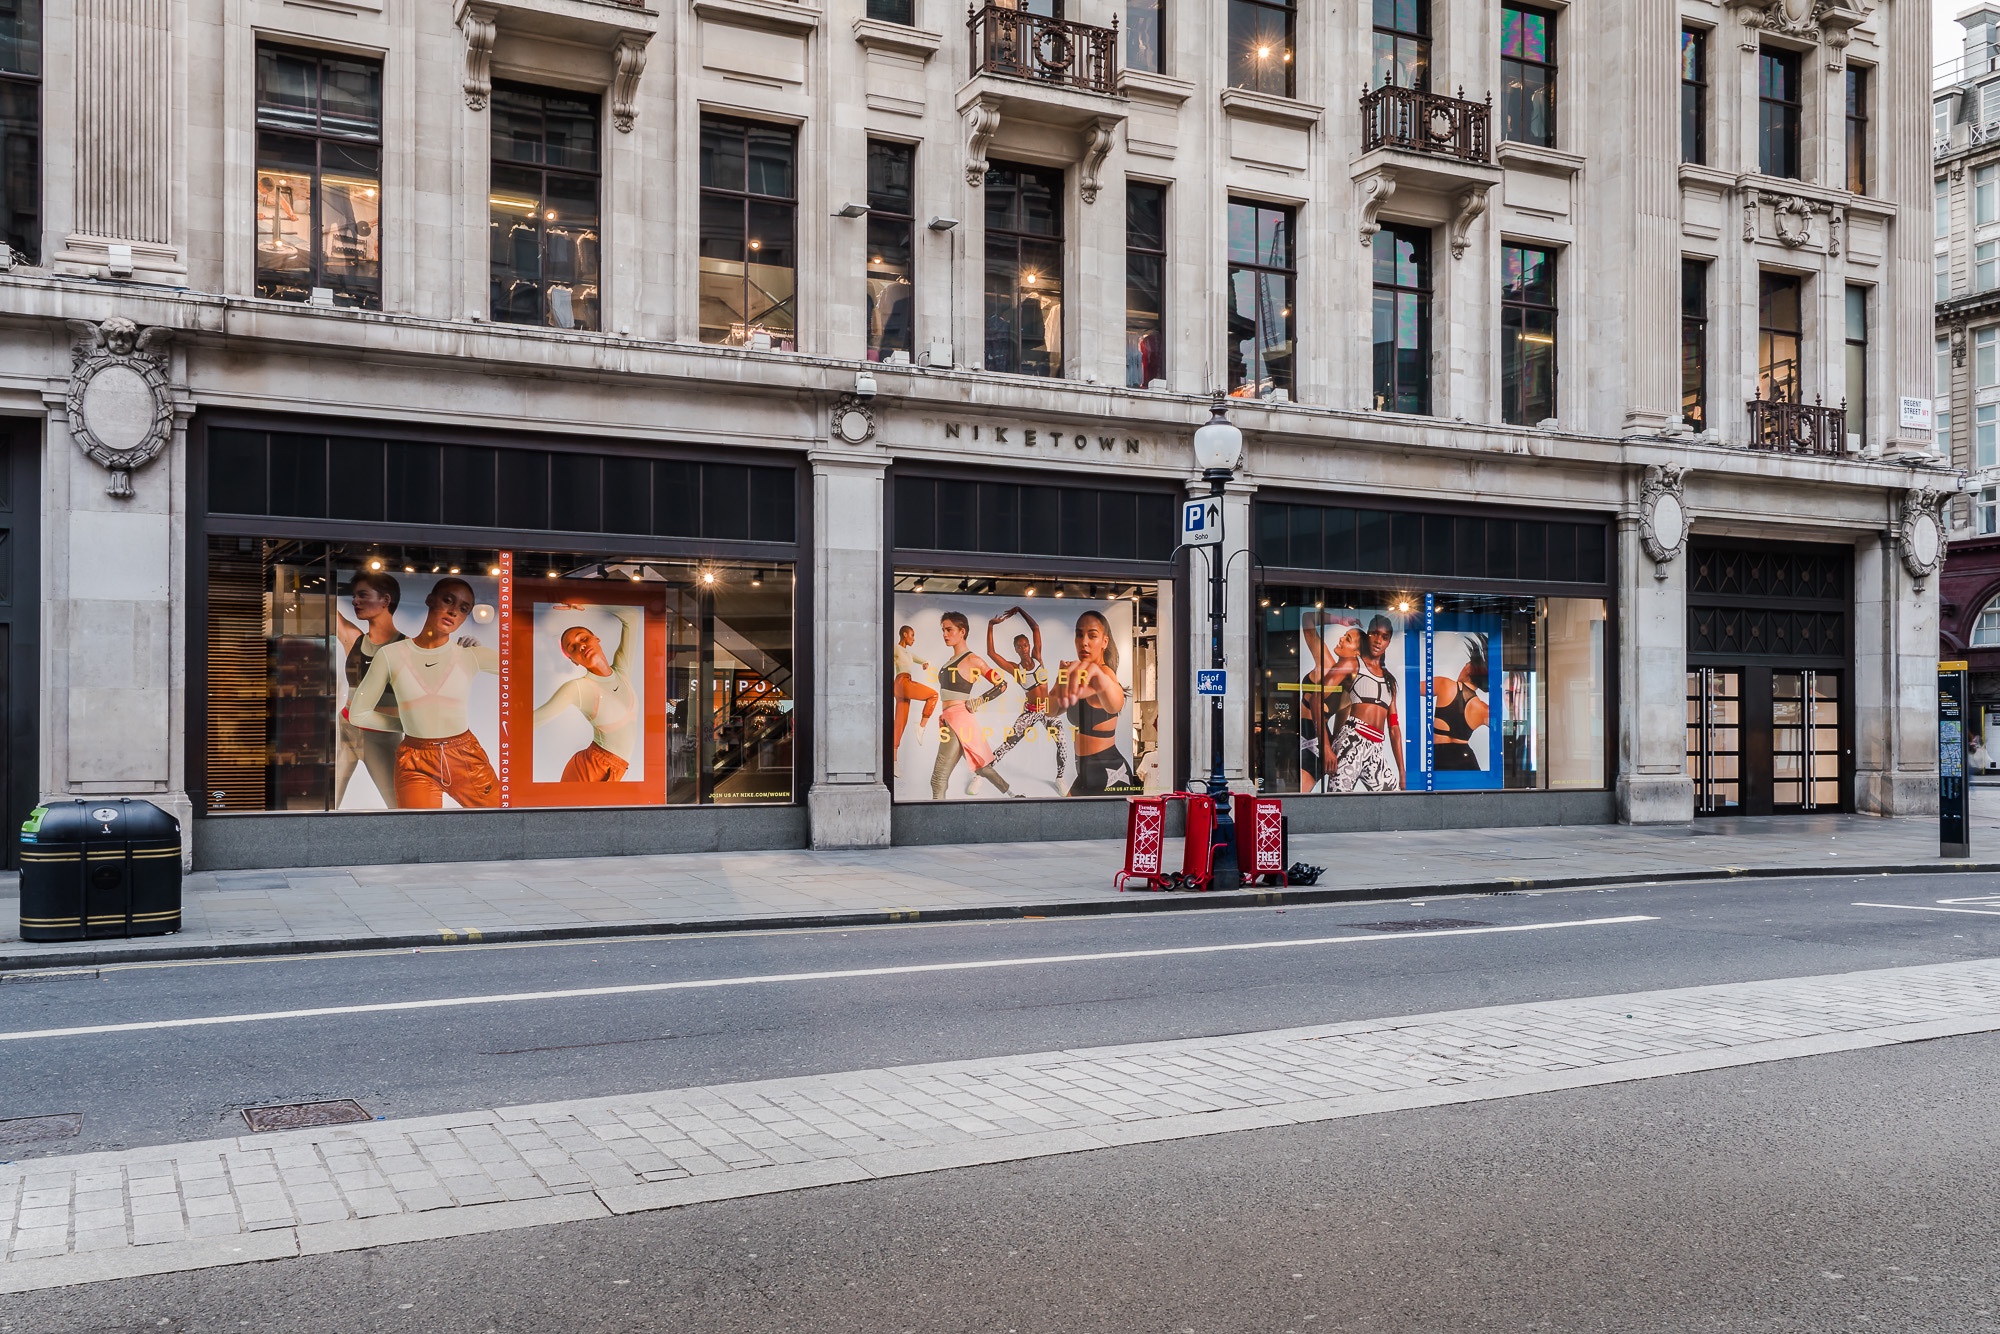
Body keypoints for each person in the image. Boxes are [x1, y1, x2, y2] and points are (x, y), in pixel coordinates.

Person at [346, 577, 502, 809]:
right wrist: (412, 725)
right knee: (419, 834)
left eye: (463, 609)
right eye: (447, 600)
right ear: (430, 600)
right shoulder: (391, 655)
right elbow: (358, 714)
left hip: (463, 755)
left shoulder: (469, 655)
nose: (453, 612)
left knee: (499, 823)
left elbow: (521, 672)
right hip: (414, 759)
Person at [532, 606, 641, 783]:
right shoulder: (578, 688)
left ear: (596, 638)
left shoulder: (623, 672)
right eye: (573, 648)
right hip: (589, 771)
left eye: (583, 638)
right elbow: (531, 722)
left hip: (617, 769)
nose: (581, 646)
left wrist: (587, 604)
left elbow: (632, 616)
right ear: (573, 661)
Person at [333, 570, 405, 808]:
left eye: (362, 595)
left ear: (385, 600)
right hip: (345, 729)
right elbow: (327, 610)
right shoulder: (354, 639)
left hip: (382, 736)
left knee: (400, 807)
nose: (355, 601)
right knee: (325, 801)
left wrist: (469, 647)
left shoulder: (409, 647)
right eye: (354, 596)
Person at [1046, 609, 1138, 796]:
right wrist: (1060, 680)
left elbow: (1115, 703)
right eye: (1079, 635)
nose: (1084, 642)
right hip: (1086, 773)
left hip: (1110, 773)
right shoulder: (1078, 674)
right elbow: (1050, 711)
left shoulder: (1105, 674)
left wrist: (1099, 680)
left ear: (1105, 641)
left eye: (1092, 636)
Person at [928, 611, 1018, 799]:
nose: (945, 634)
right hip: (950, 719)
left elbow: (1001, 684)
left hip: (958, 720)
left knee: (938, 779)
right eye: (943, 630)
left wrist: (978, 701)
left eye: (949, 629)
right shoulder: (948, 662)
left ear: (962, 631)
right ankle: (1013, 795)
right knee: (981, 766)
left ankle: (937, 824)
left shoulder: (973, 660)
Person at [986, 606, 1068, 788]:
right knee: (1008, 744)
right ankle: (983, 773)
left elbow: (1036, 628)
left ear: (1029, 646)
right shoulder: (1016, 669)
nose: (1023, 648)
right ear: (1015, 649)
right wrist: (991, 625)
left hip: (1047, 710)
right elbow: (991, 654)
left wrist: (1019, 610)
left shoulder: (1037, 657)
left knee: (1062, 744)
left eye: (1025, 645)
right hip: (1030, 711)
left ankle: (1060, 778)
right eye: (1019, 646)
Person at [1322, 613, 1405, 794]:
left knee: (1395, 801)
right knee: (1337, 802)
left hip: (1376, 747)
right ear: (1368, 635)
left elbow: (1394, 728)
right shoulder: (1353, 664)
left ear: (1388, 642)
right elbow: (1316, 699)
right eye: (1374, 634)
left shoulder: (1390, 681)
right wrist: (1326, 747)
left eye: (1384, 637)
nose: (1378, 640)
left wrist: (1402, 772)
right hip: (1352, 739)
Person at [1299, 615, 1362, 794]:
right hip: (1307, 740)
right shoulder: (1327, 664)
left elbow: (1336, 737)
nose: (1341, 638)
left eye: (1348, 639)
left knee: (1297, 796)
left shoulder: (1347, 698)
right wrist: (1340, 619)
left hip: (1313, 745)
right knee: (1292, 795)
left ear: (1357, 654)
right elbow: (1307, 619)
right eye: (1344, 635)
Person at [1431, 635, 1491, 772]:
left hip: (1440, 758)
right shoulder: (1483, 709)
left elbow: (1411, 688)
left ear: (1469, 669)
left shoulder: (1445, 684)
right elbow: (1506, 729)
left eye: (1466, 664)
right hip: (1466, 759)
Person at [891, 624, 938, 755]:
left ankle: (893, 761)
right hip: (902, 682)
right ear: (905, 635)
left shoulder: (909, 654)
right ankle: (921, 726)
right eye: (912, 635)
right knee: (933, 695)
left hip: (903, 685)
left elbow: (920, 660)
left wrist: (925, 662)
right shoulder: (896, 648)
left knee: (900, 723)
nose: (914, 639)